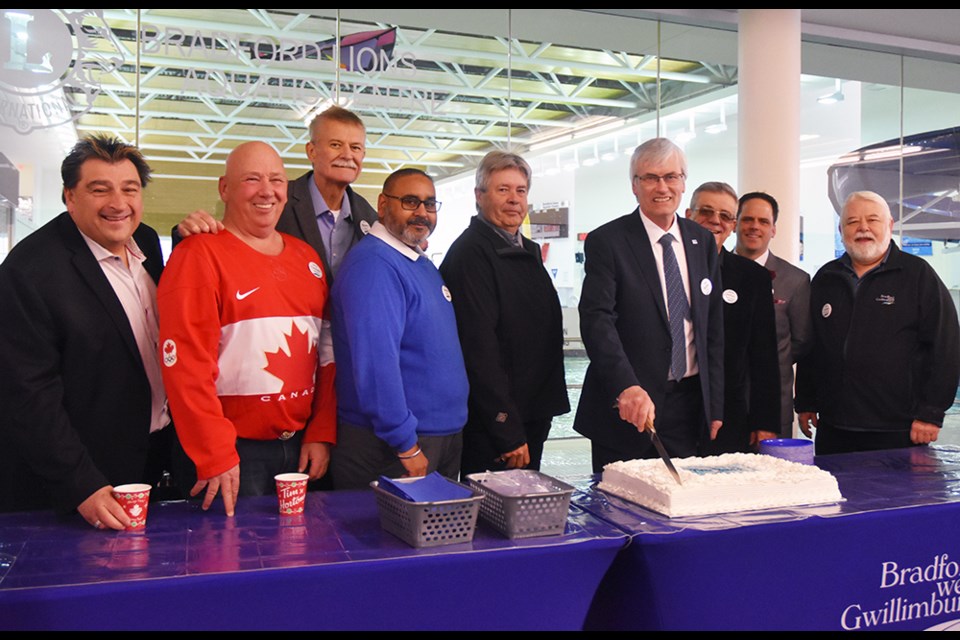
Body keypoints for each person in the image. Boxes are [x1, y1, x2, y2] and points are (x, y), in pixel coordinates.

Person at [0, 135, 174, 529]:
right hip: (82, 484)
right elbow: (29, 396)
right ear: (70, 197)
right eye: (100, 189)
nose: (118, 203)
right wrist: (81, 485)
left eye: (129, 189)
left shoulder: (144, 240)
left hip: (149, 457)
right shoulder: (29, 272)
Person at [158, 141, 336, 516]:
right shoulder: (197, 256)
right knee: (227, 560)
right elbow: (185, 367)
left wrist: (320, 432)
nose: (267, 190)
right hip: (231, 455)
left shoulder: (307, 257)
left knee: (295, 561)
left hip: (298, 449)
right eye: (251, 179)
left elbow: (328, 355)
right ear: (224, 188)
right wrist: (215, 452)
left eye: (276, 180)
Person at [574, 138, 724, 472]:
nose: (662, 187)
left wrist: (714, 404)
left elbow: (712, 327)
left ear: (684, 182)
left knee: (682, 511)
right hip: (629, 407)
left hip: (689, 407)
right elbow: (598, 320)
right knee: (622, 513)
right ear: (634, 186)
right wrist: (625, 385)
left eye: (671, 177)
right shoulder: (608, 242)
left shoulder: (701, 242)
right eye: (650, 178)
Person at [330, 168, 469, 489]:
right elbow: (376, 364)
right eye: (410, 201)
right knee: (387, 539)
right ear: (382, 205)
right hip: (394, 446)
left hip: (435, 435)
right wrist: (404, 441)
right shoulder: (374, 265)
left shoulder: (417, 262)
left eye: (430, 204)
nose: (422, 212)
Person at [795, 190, 960, 455]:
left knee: (897, 497)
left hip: (899, 429)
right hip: (834, 428)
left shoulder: (918, 275)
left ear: (890, 225)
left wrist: (931, 413)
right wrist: (805, 400)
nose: (863, 228)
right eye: (852, 222)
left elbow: (946, 346)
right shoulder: (826, 278)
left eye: (873, 220)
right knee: (838, 496)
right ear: (841, 229)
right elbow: (812, 346)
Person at [439, 151, 569, 477]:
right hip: (497, 425)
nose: (514, 200)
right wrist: (506, 427)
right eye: (503, 190)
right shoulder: (470, 255)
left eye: (520, 191)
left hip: (533, 411)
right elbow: (478, 349)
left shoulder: (527, 250)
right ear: (479, 196)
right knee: (492, 520)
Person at [176, 105, 377, 278]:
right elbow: (228, 239)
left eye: (356, 148)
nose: (348, 155)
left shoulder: (370, 217)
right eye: (336, 145)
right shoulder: (272, 200)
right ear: (311, 151)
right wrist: (189, 232)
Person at [685, 182, 780, 454]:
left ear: (733, 224)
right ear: (688, 215)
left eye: (725, 216)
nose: (715, 221)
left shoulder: (753, 278)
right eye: (706, 211)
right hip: (670, 409)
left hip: (729, 415)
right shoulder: (667, 267)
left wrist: (765, 421)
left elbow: (764, 357)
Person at [735, 191, 812, 438]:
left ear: (774, 230)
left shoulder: (795, 281)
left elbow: (800, 343)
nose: (754, 227)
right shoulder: (712, 270)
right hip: (722, 405)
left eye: (763, 221)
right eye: (747, 219)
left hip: (773, 407)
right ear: (736, 223)